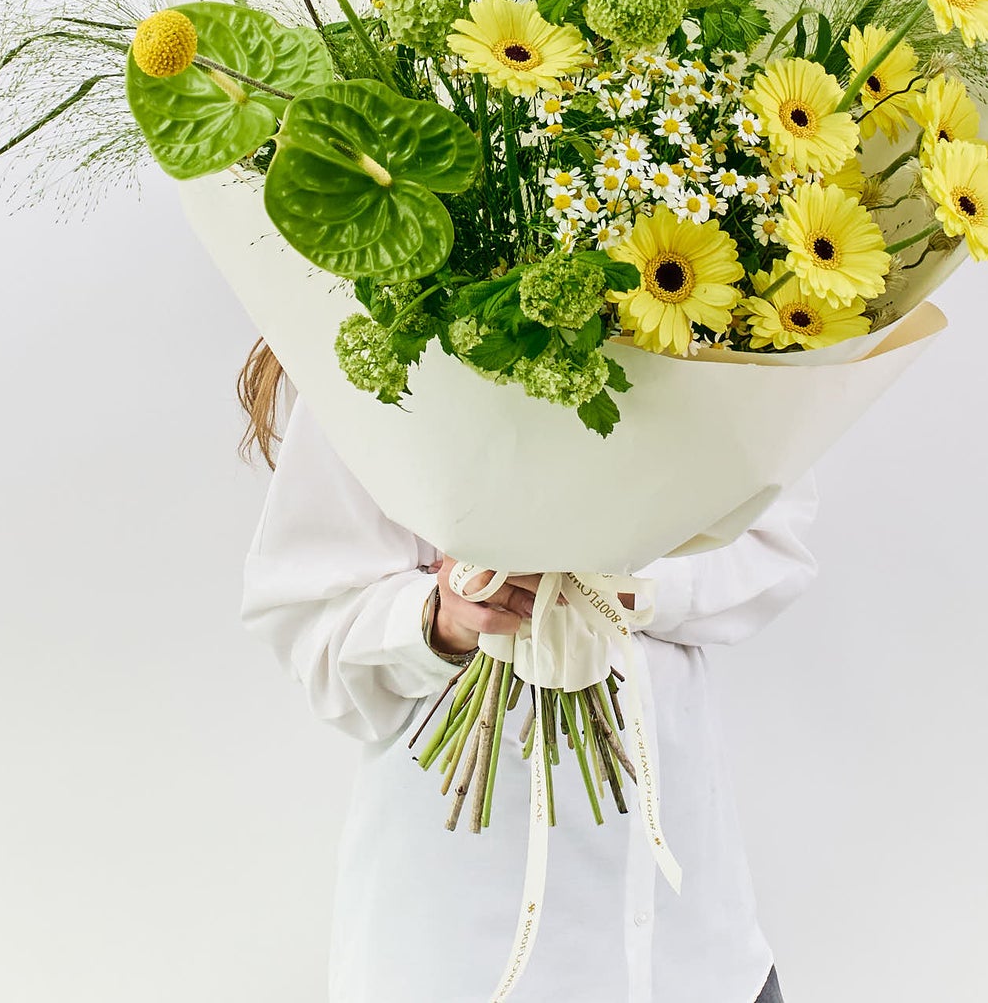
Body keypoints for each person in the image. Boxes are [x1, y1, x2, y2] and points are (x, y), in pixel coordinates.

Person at [237, 341, 815, 1003]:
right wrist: (440, 617)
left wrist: (629, 577)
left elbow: (774, 542)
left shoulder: (712, 319)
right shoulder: (387, 344)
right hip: (466, 945)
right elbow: (310, 616)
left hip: (691, 949)